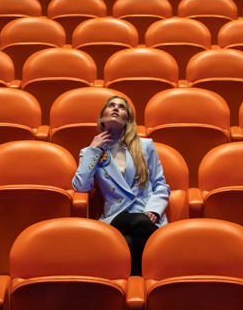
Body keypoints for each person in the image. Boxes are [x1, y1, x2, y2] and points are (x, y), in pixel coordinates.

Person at [72, 95, 170, 275]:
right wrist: (93, 149)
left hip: (145, 213)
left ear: (128, 119)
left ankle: (135, 287)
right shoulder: (90, 152)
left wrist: (155, 210)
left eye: (121, 107)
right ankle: (164, 269)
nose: (116, 109)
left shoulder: (145, 146)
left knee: (129, 242)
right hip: (116, 216)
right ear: (102, 117)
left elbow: (160, 184)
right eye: (111, 106)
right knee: (140, 222)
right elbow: (81, 187)